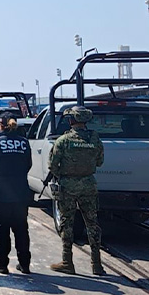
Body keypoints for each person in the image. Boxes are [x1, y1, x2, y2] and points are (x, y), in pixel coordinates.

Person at [48, 106, 105, 276]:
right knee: (92, 224)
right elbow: (100, 162)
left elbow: (53, 166)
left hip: (68, 185)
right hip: (89, 184)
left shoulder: (63, 140)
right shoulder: (95, 139)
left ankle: (67, 262)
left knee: (67, 223)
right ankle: (97, 264)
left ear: (71, 121)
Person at [0, 112, 32, 274]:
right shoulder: (24, 143)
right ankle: (24, 264)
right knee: (21, 228)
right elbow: (27, 165)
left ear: (0, 125)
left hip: (0, 193)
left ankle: (2, 264)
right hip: (21, 192)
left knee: (1, 229)